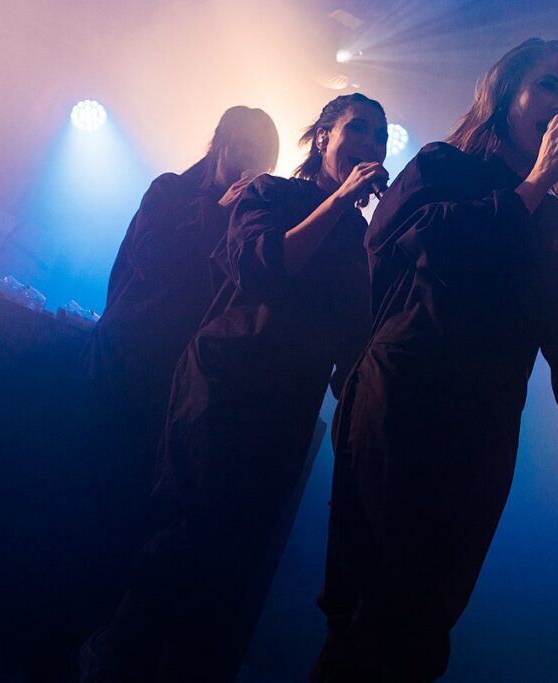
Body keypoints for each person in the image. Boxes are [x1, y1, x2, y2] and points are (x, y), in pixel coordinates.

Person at [312, 39, 558, 682]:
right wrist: (529, 186)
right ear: (505, 95)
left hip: (480, 430)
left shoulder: (556, 225)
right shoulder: (442, 168)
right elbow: (423, 248)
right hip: (401, 407)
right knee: (373, 616)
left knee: (422, 626)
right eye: (549, 86)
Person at [79, 93, 389, 682]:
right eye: (357, 130)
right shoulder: (270, 194)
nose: (370, 145)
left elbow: (352, 346)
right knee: (178, 546)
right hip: (219, 393)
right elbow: (262, 265)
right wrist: (342, 200)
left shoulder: (360, 244)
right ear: (322, 136)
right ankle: (103, 658)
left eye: (380, 137)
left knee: (225, 575)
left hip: (282, 418)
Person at [82, 106, 280, 531]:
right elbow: (153, 261)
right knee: (86, 486)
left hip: (178, 383)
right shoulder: (170, 191)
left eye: (262, 154)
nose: (250, 160)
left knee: (132, 512)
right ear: (220, 144)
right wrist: (215, 211)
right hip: (124, 362)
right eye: (243, 146)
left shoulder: (246, 227)